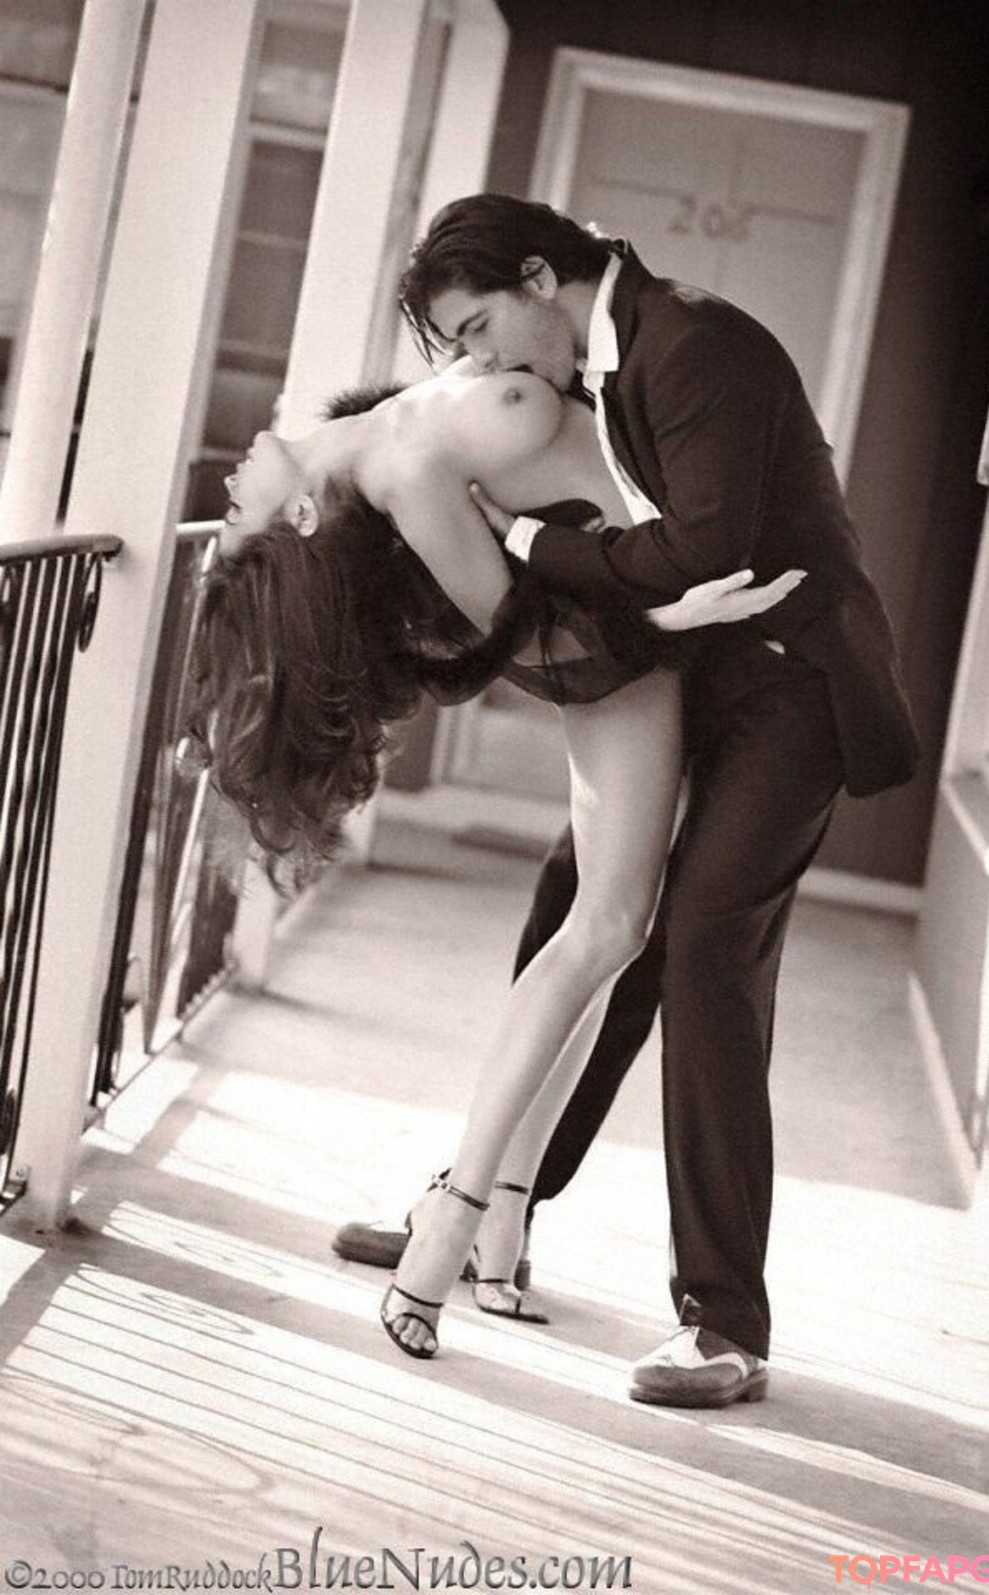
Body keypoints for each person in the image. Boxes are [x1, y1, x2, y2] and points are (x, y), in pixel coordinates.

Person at [336, 193, 919, 1406]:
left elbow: (705, 550)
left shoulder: (695, 343)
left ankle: (725, 1322)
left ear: (539, 278)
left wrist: (524, 545)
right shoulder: (602, 357)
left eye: (481, 329)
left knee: (703, 944)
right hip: (697, 667)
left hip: (793, 686)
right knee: (584, 905)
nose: (481, 364)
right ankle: (495, 1200)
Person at [192, 360, 802, 1364]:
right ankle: (460, 1213)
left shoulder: (387, 430)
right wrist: (665, 620)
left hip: (631, 600)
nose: (223, 487)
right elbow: (532, 639)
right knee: (609, 927)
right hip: (617, 652)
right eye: (235, 520)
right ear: (298, 516)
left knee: (608, 929)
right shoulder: (398, 468)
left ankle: (496, 1213)